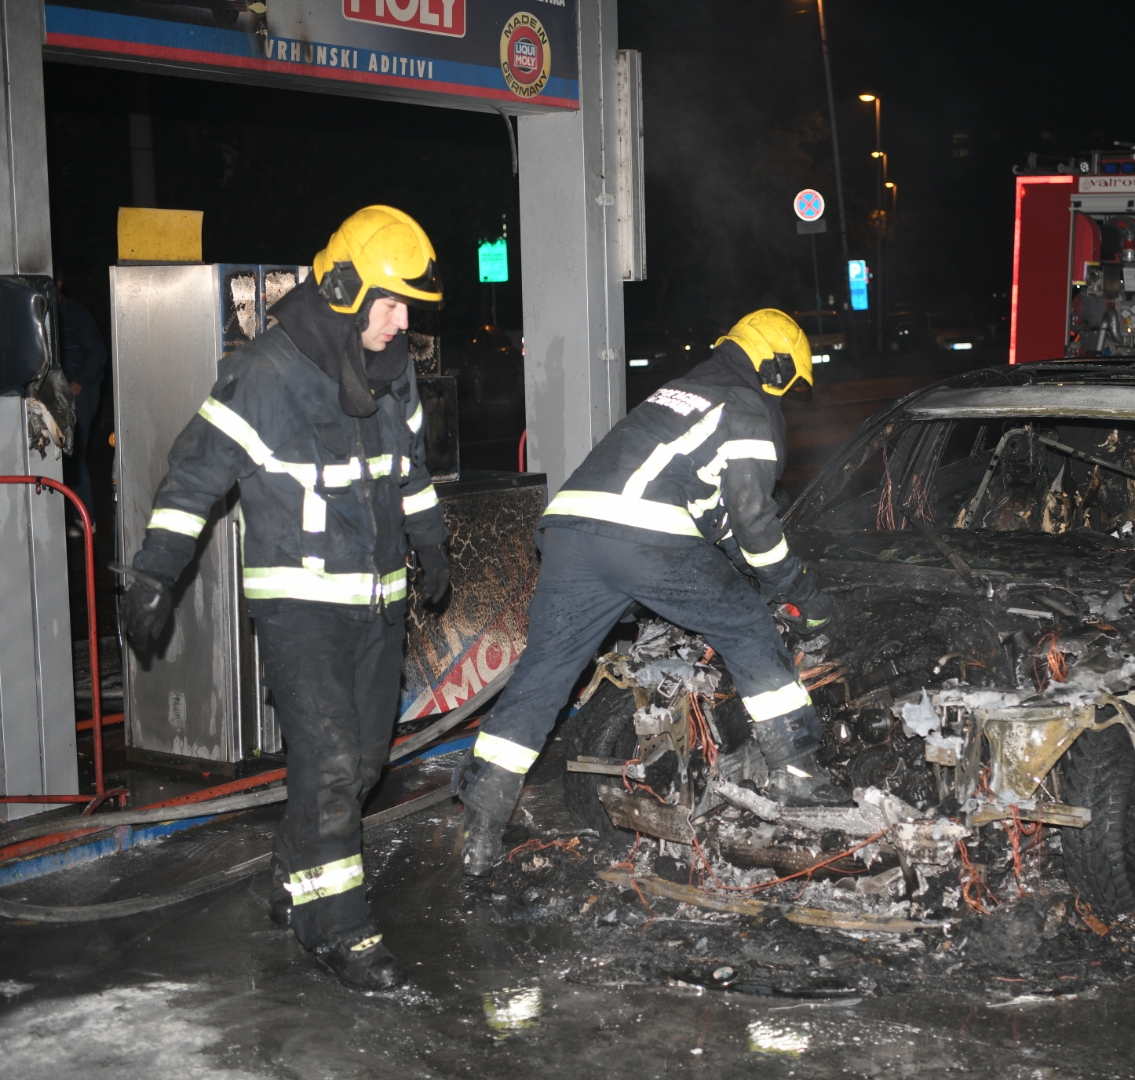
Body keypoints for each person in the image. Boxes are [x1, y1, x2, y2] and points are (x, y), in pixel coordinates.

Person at [117, 206, 451, 991]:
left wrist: (432, 544)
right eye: (391, 304)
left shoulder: (393, 368)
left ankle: (292, 876)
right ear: (343, 289)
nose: (403, 323)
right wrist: (156, 573)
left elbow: (410, 469)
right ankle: (338, 928)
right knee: (331, 761)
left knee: (363, 763)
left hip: (378, 604)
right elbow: (194, 474)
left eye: (409, 307)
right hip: (301, 608)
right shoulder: (265, 373)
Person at [453, 309, 841, 878]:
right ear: (776, 365)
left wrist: (744, 563)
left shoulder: (681, 393)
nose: (786, 396)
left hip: (569, 533)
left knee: (543, 675)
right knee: (743, 623)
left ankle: (480, 825)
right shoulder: (750, 404)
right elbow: (757, 525)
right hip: (642, 536)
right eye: (788, 383)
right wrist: (797, 592)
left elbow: (721, 519)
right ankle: (798, 771)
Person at [56, 279, 107, 531]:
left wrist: (77, 384)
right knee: (62, 456)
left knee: (74, 456)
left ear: (59, 283)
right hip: (56, 396)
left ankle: (85, 519)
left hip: (80, 394)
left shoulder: (75, 313)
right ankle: (71, 519)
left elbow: (97, 353)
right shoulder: (43, 313)